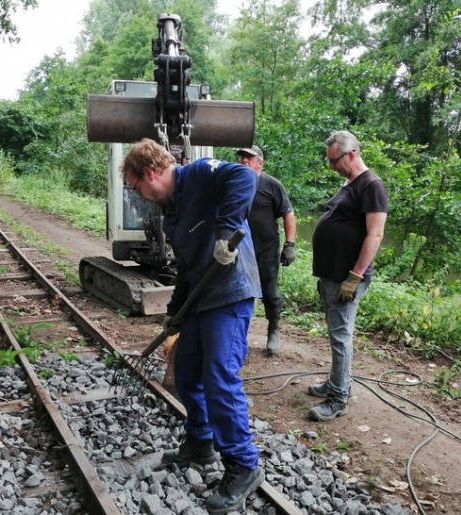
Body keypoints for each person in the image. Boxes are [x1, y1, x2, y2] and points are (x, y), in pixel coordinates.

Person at [121, 138, 263, 514]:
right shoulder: (172, 212)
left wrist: (226, 231)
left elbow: (246, 180)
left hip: (230, 293)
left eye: (137, 187)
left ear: (150, 172)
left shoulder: (199, 173)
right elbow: (185, 266)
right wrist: (174, 310)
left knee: (219, 377)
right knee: (186, 374)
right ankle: (200, 442)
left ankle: (244, 464)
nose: (141, 195)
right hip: (200, 298)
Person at [309, 130, 388, 421]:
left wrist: (355, 276)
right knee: (336, 334)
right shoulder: (350, 183)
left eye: (334, 161)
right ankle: (336, 382)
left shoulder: (372, 185)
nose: (331, 166)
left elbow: (376, 234)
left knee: (341, 337)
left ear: (351, 154)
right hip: (332, 274)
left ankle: (338, 399)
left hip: (347, 277)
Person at [237, 145, 297, 355]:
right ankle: (239, 336)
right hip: (239, 251)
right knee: (239, 294)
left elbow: (288, 214)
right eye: (242, 157)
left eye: (250, 157)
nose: (244, 160)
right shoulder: (233, 182)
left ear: (260, 162)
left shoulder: (272, 185)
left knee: (269, 294)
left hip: (266, 251)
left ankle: (273, 329)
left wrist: (290, 245)